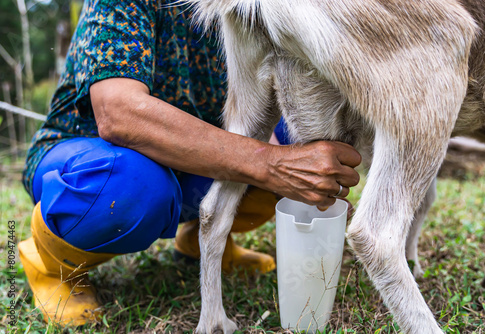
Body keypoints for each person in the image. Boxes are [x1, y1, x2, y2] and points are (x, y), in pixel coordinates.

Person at [18, 0, 361, 327]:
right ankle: (49, 260)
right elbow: (118, 115)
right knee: (131, 184)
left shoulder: (244, 8)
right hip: (91, 163)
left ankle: (201, 241)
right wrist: (270, 164)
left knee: (297, 134)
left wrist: (297, 153)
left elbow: (260, 105)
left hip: (188, 162)